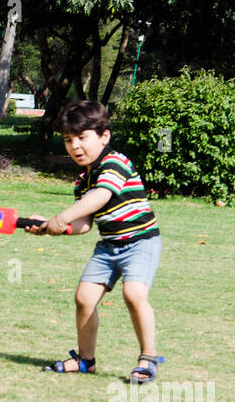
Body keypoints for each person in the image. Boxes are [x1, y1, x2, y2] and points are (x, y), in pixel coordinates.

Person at [26, 100, 163, 383]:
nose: (75, 146)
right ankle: (86, 360)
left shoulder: (116, 162)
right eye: (68, 140)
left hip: (140, 243)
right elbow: (85, 223)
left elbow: (100, 197)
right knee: (84, 298)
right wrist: (52, 228)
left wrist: (61, 217)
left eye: (82, 138)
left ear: (104, 136)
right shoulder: (82, 180)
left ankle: (148, 358)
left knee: (134, 295)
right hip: (108, 245)